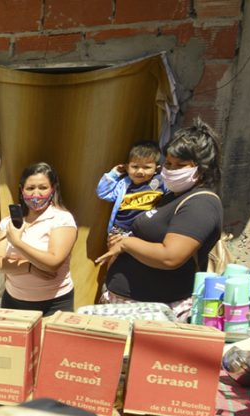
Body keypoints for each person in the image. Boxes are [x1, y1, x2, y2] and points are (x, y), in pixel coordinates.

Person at [95, 121, 224, 321]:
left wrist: (127, 243)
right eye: (168, 164)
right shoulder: (171, 195)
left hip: (154, 311)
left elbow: (170, 256)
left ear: (202, 169)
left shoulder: (201, 204)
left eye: (180, 166)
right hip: (127, 305)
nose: (171, 170)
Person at [0, 162, 78, 315]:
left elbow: (52, 263)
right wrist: (29, 267)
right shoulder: (9, 222)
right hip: (12, 302)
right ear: (21, 190)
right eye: (30, 188)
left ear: (53, 189)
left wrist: (17, 242)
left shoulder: (62, 219)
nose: (36, 194)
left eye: (42, 188)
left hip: (53, 305)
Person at [96, 140, 165, 236]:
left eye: (146, 167)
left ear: (156, 169)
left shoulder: (161, 181)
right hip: (120, 230)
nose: (140, 171)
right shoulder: (124, 183)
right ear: (127, 167)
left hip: (146, 231)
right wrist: (114, 174)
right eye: (135, 166)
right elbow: (104, 194)